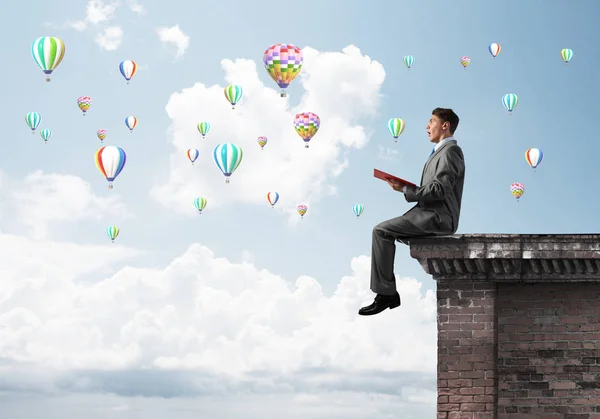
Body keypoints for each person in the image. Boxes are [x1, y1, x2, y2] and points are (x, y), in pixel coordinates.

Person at [359, 108, 465, 316]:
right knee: (385, 231)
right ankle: (386, 292)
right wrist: (405, 187)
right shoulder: (439, 153)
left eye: (432, 121)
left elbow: (440, 190)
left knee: (381, 231)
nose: (427, 126)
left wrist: (406, 190)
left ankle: (387, 294)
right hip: (426, 214)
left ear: (445, 125)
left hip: (438, 218)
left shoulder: (451, 151)